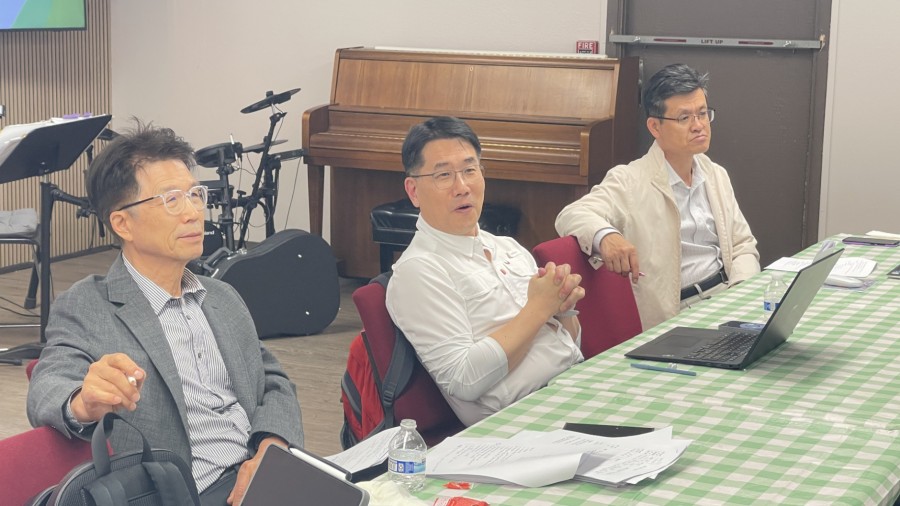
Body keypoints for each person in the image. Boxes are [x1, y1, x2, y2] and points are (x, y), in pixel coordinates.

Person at [26, 123, 303, 506]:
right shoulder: (88, 305)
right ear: (123, 223)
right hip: (191, 491)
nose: (193, 212)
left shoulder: (223, 296)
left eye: (195, 194)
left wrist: (271, 450)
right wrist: (84, 401)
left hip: (262, 472)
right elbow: (47, 384)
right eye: (171, 200)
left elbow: (273, 381)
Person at [385, 116, 585, 427]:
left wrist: (562, 310)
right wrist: (539, 309)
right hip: (519, 422)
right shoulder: (418, 271)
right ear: (413, 191)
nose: (462, 187)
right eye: (443, 175)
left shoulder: (507, 247)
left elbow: (568, 346)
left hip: (573, 386)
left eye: (470, 170)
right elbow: (464, 381)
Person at [555, 63, 760, 330]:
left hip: (727, 298)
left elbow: (742, 244)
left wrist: (741, 296)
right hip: (677, 313)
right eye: (684, 118)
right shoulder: (629, 180)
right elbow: (571, 214)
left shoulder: (715, 174)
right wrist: (606, 236)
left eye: (702, 113)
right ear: (655, 126)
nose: (699, 126)